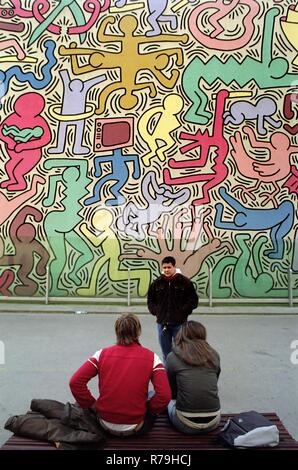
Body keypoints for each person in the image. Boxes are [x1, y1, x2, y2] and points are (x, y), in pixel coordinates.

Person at [69, 313, 171, 437]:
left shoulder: (101, 354)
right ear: (138, 332)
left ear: (117, 331)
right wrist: (150, 408)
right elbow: (165, 396)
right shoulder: (152, 357)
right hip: (137, 427)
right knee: (152, 395)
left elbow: (75, 382)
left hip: (104, 424)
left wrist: (92, 405)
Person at [166, 321, 221, 434]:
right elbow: (214, 381)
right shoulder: (214, 355)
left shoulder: (173, 356)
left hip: (184, 422)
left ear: (181, 335)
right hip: (214, 421)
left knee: (165, 400)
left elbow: (170, 392)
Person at [147, 255, 198, 361]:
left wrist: (183, 312)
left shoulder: (185, 282)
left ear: (174, 267)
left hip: (179, 324)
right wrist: (157, 312)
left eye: (169, 267)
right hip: (162, 324)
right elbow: (150, 301)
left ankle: (180, 374)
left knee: (181, 352)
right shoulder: (156, 283)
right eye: (164, 267)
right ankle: (167, 375)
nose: (166, 270)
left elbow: (193, 300)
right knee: (166, 354)